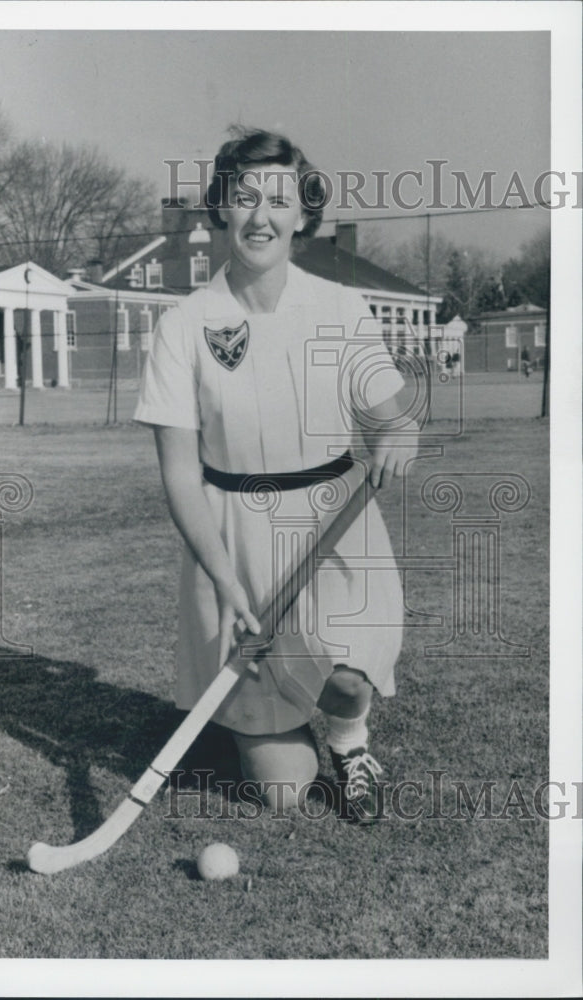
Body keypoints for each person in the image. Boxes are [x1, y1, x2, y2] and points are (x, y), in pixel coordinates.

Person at [134, 127, 418, 820]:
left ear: (301, 213)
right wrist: (224, 581)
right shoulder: (183, 326)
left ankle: (351, 745)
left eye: (279, 200)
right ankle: (255, 726)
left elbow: (394, 416)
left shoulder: (341, 308)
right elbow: (179, 474)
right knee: (283, 792)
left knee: (347, 672)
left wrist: (397, 434)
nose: (261, 216)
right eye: (245, 197)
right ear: (222, 208)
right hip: (232, 541)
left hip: (334, 521)